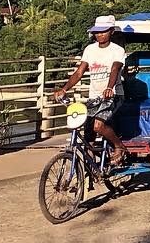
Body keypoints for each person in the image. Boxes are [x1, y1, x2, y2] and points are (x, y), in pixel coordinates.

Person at [53, 15, 130, 166]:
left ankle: (119, 146)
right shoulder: (90, 49)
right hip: (94, 97)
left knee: (98, 126)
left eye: (104, 31)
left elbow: (115, 68)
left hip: (113, 96)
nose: (100, 34)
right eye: (97, 32)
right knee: (88, 135)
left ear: (111, 31)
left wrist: (110, 87)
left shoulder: (117, 50)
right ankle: (92, 168)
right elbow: (79, 73)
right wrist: (64, 89)